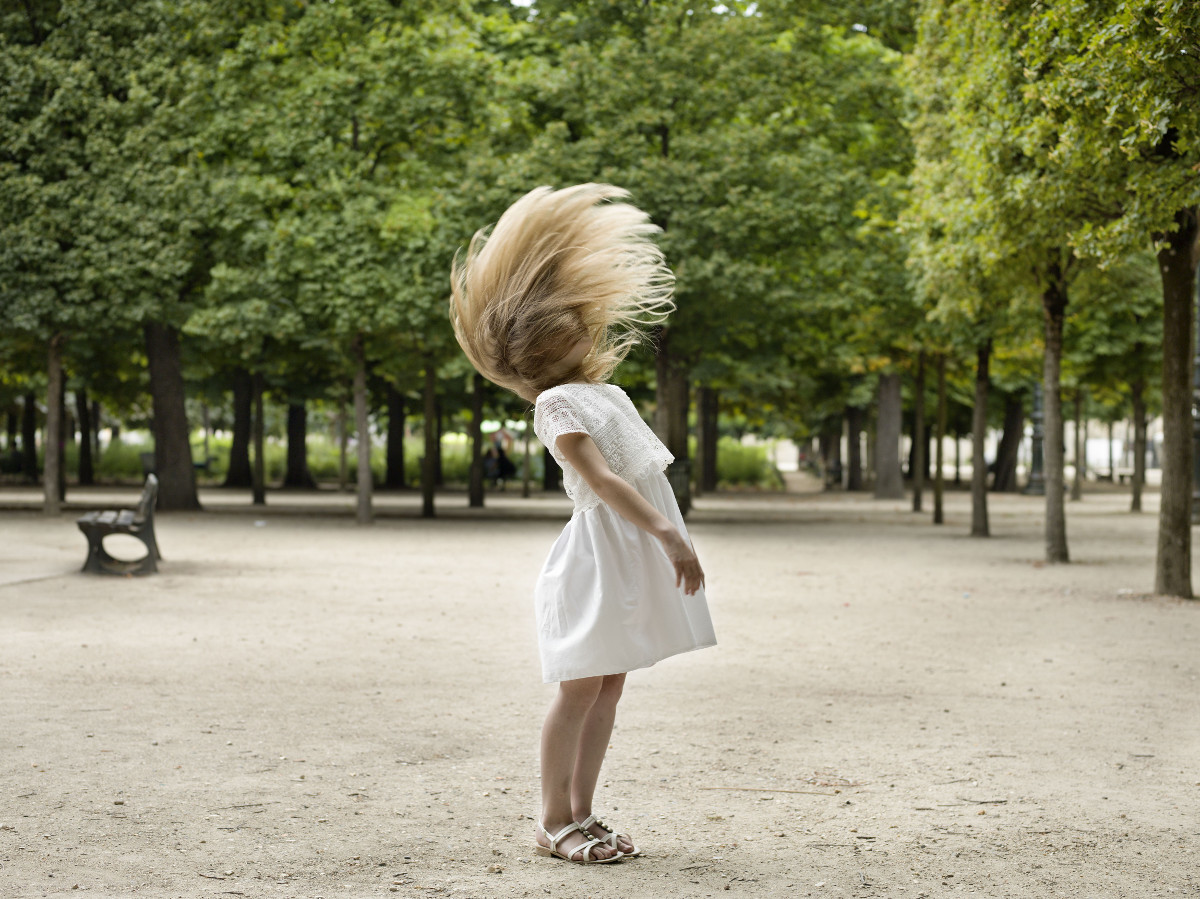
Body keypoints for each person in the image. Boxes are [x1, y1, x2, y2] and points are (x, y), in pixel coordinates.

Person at [449, 184, 717, 864]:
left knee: (610, 683)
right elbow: (601, 480)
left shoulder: (601, 391)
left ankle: (583, 809)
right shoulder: (556, 405)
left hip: (626, 549)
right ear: (537, 343)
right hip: (601, 554)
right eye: (563, 320)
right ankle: (550, 818)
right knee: (579, 687)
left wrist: (659, 535)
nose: (580, 323)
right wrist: (668, 533)